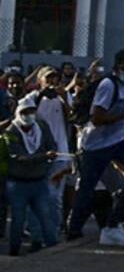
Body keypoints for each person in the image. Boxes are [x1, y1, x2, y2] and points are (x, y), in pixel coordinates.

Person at [66, 50, 124, 245]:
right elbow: (97, 117)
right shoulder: (108, 85)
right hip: (97, 144)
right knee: (87, 187)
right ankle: (74, 229)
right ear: (117, 67)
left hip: (119, 139)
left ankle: (122, 218)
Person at [4, 93, 58, 256]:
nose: (28, 116)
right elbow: (20, 157)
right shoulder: (11, 131)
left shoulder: (41, 126)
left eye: (32, 111)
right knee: (18, 220)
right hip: (18, 184)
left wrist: (49, 157)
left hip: (39, 181)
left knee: (45, 217)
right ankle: (14, 250)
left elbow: (51, 145)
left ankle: (53, 250)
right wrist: (44, 156)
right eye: (25, 112)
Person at [34, 66, 74, 233]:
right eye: (48, 78)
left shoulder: (63, 97)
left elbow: (72, 116)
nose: (52, 82)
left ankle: (54, 228)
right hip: (38, 155)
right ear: (40, 80)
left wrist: (64, 97)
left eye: (55, 78)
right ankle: (36, 228)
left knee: (54, 196)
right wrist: (39, 97)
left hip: (61, 155)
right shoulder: (33, 98)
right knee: (39, 194)